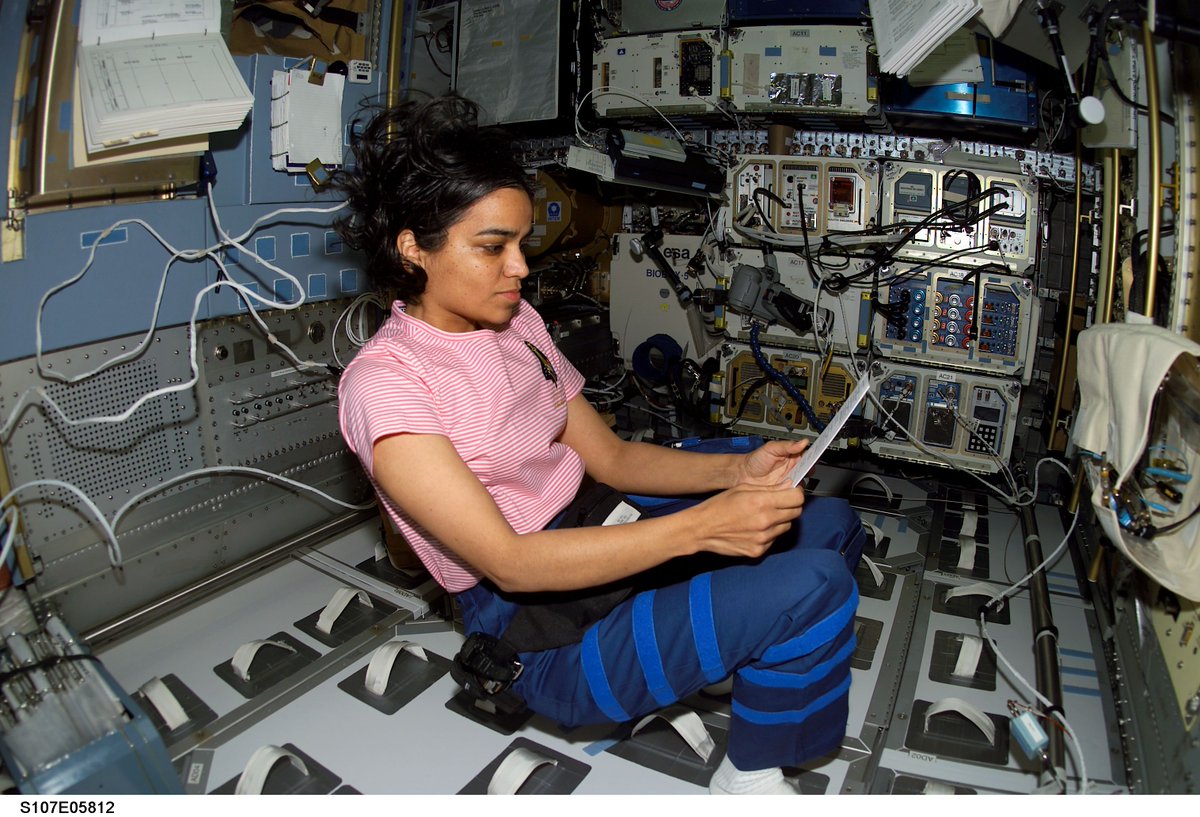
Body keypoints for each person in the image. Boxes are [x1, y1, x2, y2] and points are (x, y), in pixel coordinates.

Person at [334, 94, 866, 795]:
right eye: (492, 247)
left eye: (522, 244)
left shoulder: (516, 321)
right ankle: (752, 778)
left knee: (827, 520)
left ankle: (724, 654)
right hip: (540, 628)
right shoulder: (385, 386)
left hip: (599, 522)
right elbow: (513, 563)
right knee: (815, 586)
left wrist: (740, 467)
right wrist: (704, 524)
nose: (520, 269)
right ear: (413, 248)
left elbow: (609, 458)